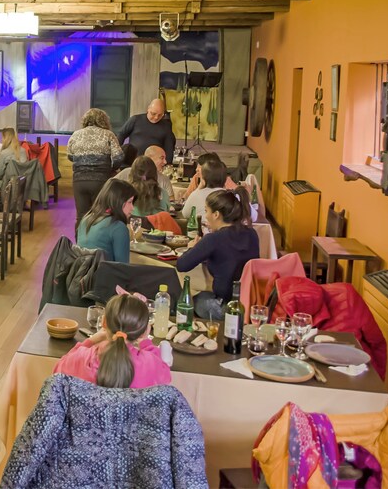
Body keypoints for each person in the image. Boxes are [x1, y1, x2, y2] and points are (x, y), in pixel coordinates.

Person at [53, 293, 171, 389]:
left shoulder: (82, 358)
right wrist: (146, 343)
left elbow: (57, 372)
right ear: (145, 331)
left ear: (104, 322)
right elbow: (165, 377)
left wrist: (90, 341)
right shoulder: (150, 364)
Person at [177, 187, 259, 318]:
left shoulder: (213, 239)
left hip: (222, 307)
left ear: (216, 215)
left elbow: (182, 265)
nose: (206, 216)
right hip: (248, 304)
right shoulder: (252, 234)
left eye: (206, 211)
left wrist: (192, 247)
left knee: (190, 297)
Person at [68, 108, 122, 225]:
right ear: (104, 121)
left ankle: (81, 242)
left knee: (81, 217)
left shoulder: (75, 135)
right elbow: (119, 157)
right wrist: (110, 169)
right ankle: (97, 242)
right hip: (101, 180)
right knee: (100, 215)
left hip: (79, 180)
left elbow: (70, 156)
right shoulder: (108, 135)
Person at [76, 179, 136, 263]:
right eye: (130, 202)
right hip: (105, 275)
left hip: (83, 275)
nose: (132, 208)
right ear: (118, 201)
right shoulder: (118, 228)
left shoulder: (86, 219)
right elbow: (123, 269)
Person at [115, 98, 177, 163]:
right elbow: (121, 135)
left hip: (154, 164)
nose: (156, 117)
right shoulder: (135, 120)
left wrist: (167, 165)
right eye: (153, 114)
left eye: (160, 115)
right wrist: (117, 155)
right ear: (148, 109)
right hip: (133, 162)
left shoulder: (166, 126)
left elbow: (169, 149)